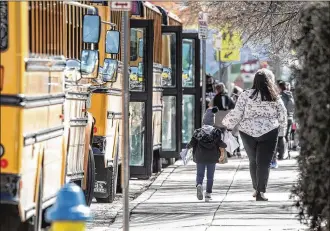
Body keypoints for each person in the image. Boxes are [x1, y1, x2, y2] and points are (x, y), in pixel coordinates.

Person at [222, 68, 287, 201]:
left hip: (247, 132)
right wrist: (283, 129)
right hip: (269, 132)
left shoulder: (245, 95)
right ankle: (261, 192)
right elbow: (282, 114)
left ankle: (255, 188)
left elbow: (237, 113)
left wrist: (226, 124)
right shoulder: (274, 96)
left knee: (253, 161)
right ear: (270, 81)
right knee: (264, 162)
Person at [186, 106, 227, 202]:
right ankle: (208, 194)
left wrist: (187, 147)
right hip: (212, 157)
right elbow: (220, 143)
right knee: (210, 177)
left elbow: (192, 143)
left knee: (200, 174)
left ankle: (199, 184)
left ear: (204, 120)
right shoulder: (216, 132)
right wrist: (225, 145)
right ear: (212, 121)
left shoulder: (198, 132)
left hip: (200, 157)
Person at [273, 81, 295, 163]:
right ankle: (286, 153)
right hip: (290, 117)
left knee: (281, 136)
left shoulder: (281, 96)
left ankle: (282, 154)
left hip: (283, 118)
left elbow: (280, 108)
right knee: (286, 136)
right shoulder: (290, 95)